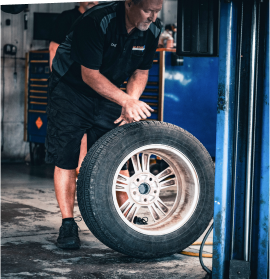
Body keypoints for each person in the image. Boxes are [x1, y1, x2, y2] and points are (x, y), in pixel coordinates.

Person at [45, 0, 163, 250]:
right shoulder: (97, 21)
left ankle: (125, 216)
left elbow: (140, 72)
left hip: (108, 91)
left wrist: (129, 101)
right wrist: (124, 99)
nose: (153, 17)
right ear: (129, 4)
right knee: (66, 156)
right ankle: (68, 223)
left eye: (157, 11)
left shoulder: (152, 30)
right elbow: (89, 75)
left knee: (116, 154)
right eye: (147, 10)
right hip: (71, 90)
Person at [49, 1, 99, 178]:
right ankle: (76, 165)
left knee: (89, 127)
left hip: (93, 82)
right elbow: (54, 47)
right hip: (68, 82)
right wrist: (57, 78)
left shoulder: (101, 19)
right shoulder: (67, 18)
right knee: (72, 130)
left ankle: (83, 165)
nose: (93, 1)